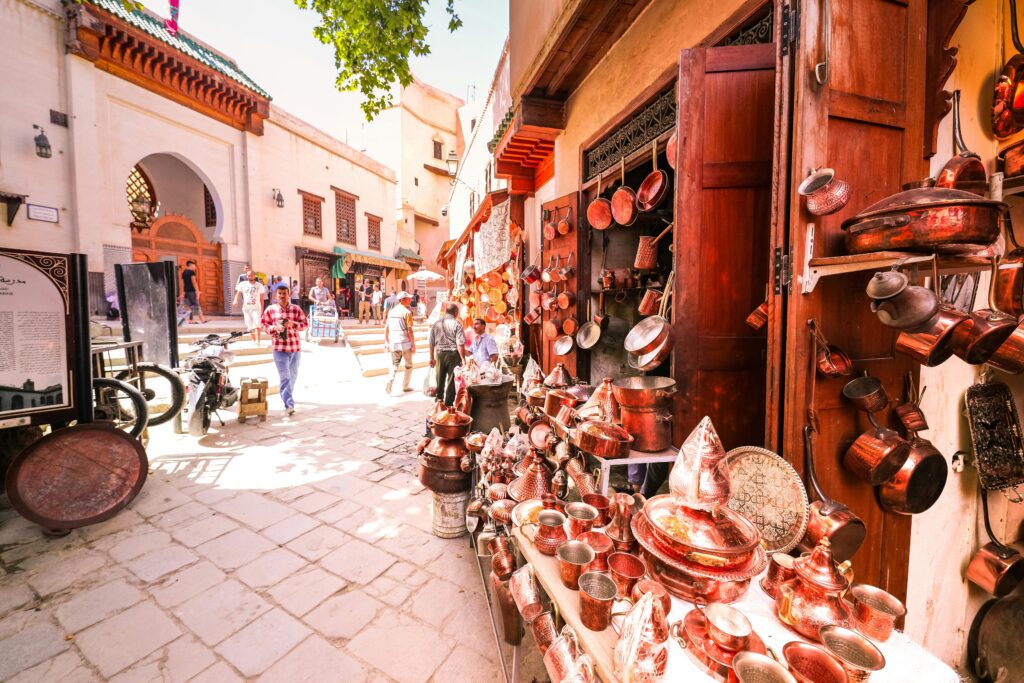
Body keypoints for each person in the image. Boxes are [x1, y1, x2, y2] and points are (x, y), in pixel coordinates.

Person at [261, 283, 308, 415]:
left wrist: (293, 324)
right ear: (276, 295)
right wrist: (273, 328)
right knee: (285, 376)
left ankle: (287, 395)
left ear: (289, 295)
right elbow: (264, 324)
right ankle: (289, 404)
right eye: (279, 294)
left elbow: (305, 324)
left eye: (284, 293)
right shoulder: (270, 310)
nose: (282, 296)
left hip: (294, 347)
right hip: (279, 347)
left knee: (293, 375)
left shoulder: (296, 309)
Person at [429, 303, 467, 406]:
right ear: (456, 312)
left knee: (440, 379)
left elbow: (431, 342)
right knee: (451, 380)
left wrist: (431, 357)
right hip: (453, 355)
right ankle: (449, 404)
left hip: (440, 354)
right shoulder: (457, 324)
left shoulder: (436, 324)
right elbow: (460, 343)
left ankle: (439, 402)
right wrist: (463, 359)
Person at [383, 291, 416, 395]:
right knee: (409, 365)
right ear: (402, 300)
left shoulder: (391, 312)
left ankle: (390, 381)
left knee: (394, 364)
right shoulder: (407, 312)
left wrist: (386, 341)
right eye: (408, 298)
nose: (410, 300)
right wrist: (413, 344)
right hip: (405, 343)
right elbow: (410, 330)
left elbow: (386, 328)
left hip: (394, 342)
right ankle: (405, 386)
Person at [233, 270, 265, 344]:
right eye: (249, 275)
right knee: (249, 325)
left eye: (252, 275)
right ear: (247, 276)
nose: (250, 277)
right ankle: (253, 341)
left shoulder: (259, 285)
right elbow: (238, 293)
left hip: (256, 308)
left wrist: (262, 309)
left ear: (255, 276)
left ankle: (258, 341)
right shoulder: (242, 284)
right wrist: (235, 300)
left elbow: (262, 298)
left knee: (257, 324)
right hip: (246, 308)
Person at [179, 260, 207, 324]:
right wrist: (197, 291)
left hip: (186, 292)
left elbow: (182, 284)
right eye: (194, 266)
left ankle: (191, 320)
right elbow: (194, 282)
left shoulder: (184, 272)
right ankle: (202, 320)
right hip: (191, 291)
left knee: (190, 306)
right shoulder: (191, 272)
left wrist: (182, 292)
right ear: (191, 265)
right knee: (196, 305)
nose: (195, 267)